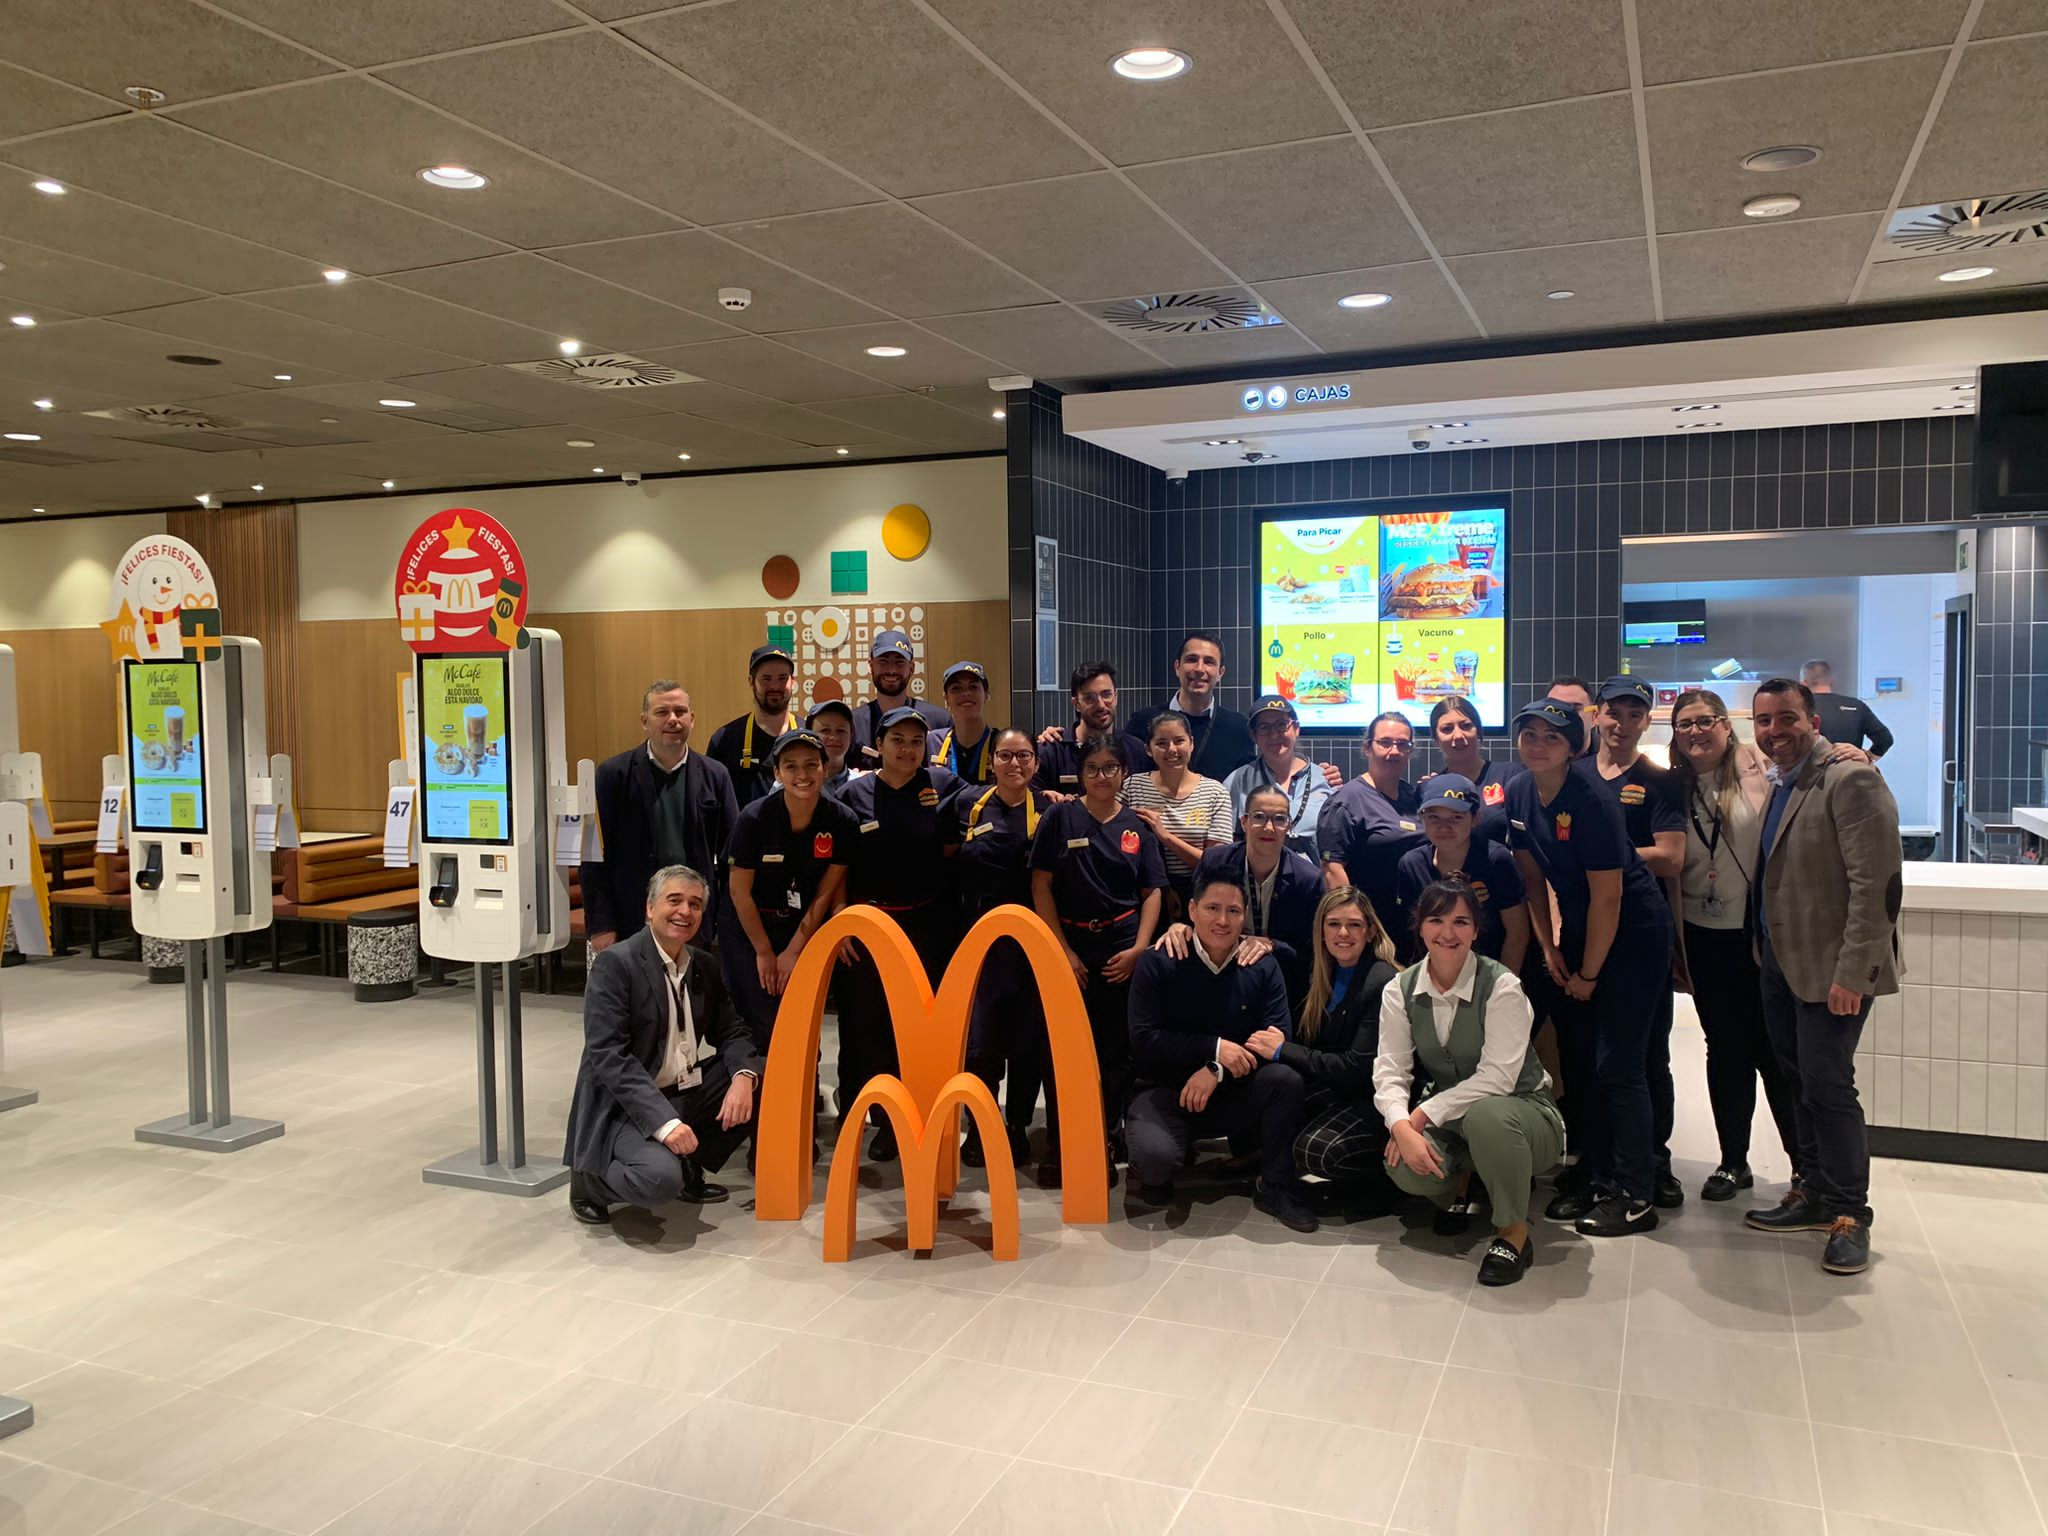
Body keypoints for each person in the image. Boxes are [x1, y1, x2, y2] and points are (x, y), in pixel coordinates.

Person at [1742, 677, 1901, 1277]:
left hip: (1834, 969)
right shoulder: (1787, 781)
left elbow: (1877, 885)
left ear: (1814, 720)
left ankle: (1849, 1214)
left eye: (1787, 719)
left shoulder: (1850, 776)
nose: (1775, 731)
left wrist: (1855, 974)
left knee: (1830, 1087)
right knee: (1796, 1078)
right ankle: (1810, 1190)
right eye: (1764, 721)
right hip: (1783, 961)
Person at [1504, 698, 1672, 1238]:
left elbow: (1610, 898)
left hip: (1633, 934)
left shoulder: (1594, 800)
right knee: (1578, 1060)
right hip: (1577, 931)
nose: (1536, 744)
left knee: (1619, 1064)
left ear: (1573, 746)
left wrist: (1590, 974)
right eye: (1528, 734)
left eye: (1550, 737)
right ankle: (1592, 1173)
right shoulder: (1521, 791)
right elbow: (1530, 877)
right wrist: (1549, 947)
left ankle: (1633, 1192)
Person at [1376, 879, 1567, 1286]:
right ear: (1420, 927)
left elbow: (1499, 1078)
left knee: (1488, 1117)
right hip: (1455, 1118)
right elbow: (1391, 1069)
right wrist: (1399, 1125)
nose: (1448, 933)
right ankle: (1461, 1183)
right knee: (1404, 1167)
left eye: (1461, 921)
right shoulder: (1400, 989)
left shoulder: (1502, 986)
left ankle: (1513, 1231)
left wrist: (1423, 1113)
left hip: (1523, 1114)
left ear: (1477, 930)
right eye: (1436, 920)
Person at [565, 866, 760, 1221]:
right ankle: (589, 1181)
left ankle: (690, 1164)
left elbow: (732, 1031)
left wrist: (744, 1077)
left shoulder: (703, 964)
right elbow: (609, 1057)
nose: (685, 911)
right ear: (650, 908)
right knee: (658, 1181)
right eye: (675, 900)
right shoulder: (615, 965)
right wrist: (665, 1124)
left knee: (760, 1079)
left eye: (695, 904)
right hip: (628, 1103)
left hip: (682, 1088)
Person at [1125, 874, 1316, 1232]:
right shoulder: (1159, 959)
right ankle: (1157, 1156)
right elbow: (1144, 1039)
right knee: (1155, 1163)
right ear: (1192, 910)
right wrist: (1213, 1047)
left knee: (1285, 1079)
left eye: (1233, 911)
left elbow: (1277, 1037)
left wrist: (1217, 1067)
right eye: (1213, 908)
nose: (1223, 920)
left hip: (1232, 1091)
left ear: (1245, 917)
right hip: (1166, 1090)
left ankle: (1274, 1185)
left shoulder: (1261, 964)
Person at [1668, 688, 1801, 1202]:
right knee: (1724, 1049)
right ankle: (1733, 1162)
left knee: (1775, 1050)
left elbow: (1812, 753)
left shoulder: (1760, 766)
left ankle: (1803, 1168)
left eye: (1706, 721)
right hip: (1702, 933)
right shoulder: (1670, 786)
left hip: (1758, 933)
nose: (1697, 732)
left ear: (1727, 726)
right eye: (1685, 725)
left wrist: (1849, 751)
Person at [1030, 736, 1166, 1188]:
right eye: (1093, 768)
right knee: (1061, 1049)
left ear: (1123, 772)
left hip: (1123, 948)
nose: (1102, 776)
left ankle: (1106, 1138)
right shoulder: (1060, 816)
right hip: (1069, 946)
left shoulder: (1136, 826)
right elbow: (1041, 886)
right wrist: (1062, 950)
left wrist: (1140, 949)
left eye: (1111, 768)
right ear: (1081, 773)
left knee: (1113, 1053)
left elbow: (1153, 892)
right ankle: (1059, 1145)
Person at [1578, 676, 1686, 1209]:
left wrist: (1603, 861)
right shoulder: (1571, 775)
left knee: (1646, 1057)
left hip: (1642, 936)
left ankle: (1652, 1164)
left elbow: (1671, 856)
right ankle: (1600, 1165)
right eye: (1613, 712)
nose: (1622, 723)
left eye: (1634, 713)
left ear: (1648, 721)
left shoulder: (1658, 780)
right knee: (1593, 1058)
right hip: (1583, 936)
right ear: (1597, 716)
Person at [837, 707, 962, 1159]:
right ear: (881, 745)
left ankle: (920, 1114)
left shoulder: (943, 787)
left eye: (915, 741)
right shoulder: (854, 794)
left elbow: (992, 801)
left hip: (927, 926)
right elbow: (838, 869)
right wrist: (843, 923)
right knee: (870, 1027)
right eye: (897, 740)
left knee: (919, 1026)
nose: (907, 749)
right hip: (870, 927)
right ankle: (879, 1119)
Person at [1257, 886, 1400, 1207]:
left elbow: (1356, 1068)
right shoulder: (1322, 972)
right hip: (1339, 1089)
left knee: (1313, 1151)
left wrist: (1282, 1050)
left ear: (1371, 931)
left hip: (1375, 1100)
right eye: (1333, 924)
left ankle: (1389, 1182)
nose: (1343, 933)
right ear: (1321, 930)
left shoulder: (1381, 981)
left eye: (1354, 925)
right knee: (1277, 1094)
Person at [718, 727, 859, 1053]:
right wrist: (765, 952)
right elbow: (740, 893)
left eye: (811, 764)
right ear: (777, 772)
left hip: (801, 922)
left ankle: (802, 1095)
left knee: (801, 1013)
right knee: (760, 1016)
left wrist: (794, 950)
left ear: (825, 767)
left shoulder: (841, 819)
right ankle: (757, 1095)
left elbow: (827, 889)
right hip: (748, 925)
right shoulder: (753, 818)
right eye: (791, 766)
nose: (802, 774)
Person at [955, 727, 1052, 1170]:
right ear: (992, 761)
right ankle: (979, 1127)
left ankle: (1015, 1127)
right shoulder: (965, 807)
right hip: (982, 944)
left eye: (1025, 756)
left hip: (1034, 946)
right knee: (982, 1044)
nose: (1016, 764)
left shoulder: (1051, 810)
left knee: (1028, 1042)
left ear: (1036, 762)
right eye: (1007, 756)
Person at [583, 680, 739, 953]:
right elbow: (594, 857)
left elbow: (733, 855)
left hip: (693, 920)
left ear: (692, 718)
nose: (673, 720)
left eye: (680, 712)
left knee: (691, 995)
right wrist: (601, 923)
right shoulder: (612, 775)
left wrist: (722, 919)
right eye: (662, 712)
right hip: (631, 917)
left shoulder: (716, 775)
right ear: (645, 720)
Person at [1154, 783, 1324, 1010]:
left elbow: (1312, 950)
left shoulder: (1308, 879)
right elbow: (1194, 915)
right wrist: (1179, 927)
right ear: (1244, 822)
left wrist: (1271, 945)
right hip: (1218, 972)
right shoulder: (1214, 861)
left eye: (1279, 819)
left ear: (1289, 826)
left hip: (1281, 982)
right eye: (1260, 817)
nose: (1269, 827)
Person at [1394, 775, 1528, 971]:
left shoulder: (1495, 860)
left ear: (1475, 819)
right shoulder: (1412, 864)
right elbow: (1411, 935)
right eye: (1433, 817)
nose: (1443, 827)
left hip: (1489, 972)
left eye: (1456, 817)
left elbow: (1517, 933)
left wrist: (1504, 986)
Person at [1318, 711, 1425, 939]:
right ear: (1367, 747)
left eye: (1402, 744)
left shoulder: (1413, 797)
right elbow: (1332, 869)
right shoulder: (1346, 801)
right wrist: (1353, 925)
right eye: (1384, 743)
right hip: (1372, 927)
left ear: (1410, 751)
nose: (1393, 751)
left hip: (1415, 922)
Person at [1122, 709, 1236, 906]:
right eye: (1161, 743)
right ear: (1148, 749)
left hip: (1199, 895)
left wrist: (1165, 836)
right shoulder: (1133, 786)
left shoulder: (1215, 792)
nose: (1172, 749)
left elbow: (1215, 865)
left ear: (1191, 743)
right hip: (1143, 894)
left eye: (1179, 741)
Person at [1125, 631, 1255, 778]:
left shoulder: (1239, 729)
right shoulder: (1142, 722)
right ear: (1177, 667)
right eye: (1191, 659)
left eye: (1209, 661)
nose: (1199, 669)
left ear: (1220, 673)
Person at [1222, 696, 1336, 861]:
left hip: (1313, 882)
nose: (1274, 735)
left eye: (1282, 725)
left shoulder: (1325, 779)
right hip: (1256, 880)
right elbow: (1227, 843)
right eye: (1264, 727)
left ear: (1296, 729)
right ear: (1254, 736)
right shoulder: (1237, 781)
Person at [1035, 660, 1150, 797]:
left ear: (1116, 696)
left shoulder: (1136, 750)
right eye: (1090, 698)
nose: (1101, 705)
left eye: (1106, 694)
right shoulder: (1051, 751)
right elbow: (1029, 801)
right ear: (1076, 703)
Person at [1419, 694, 1516, 846]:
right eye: (1447, 729)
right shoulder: (1431, 789)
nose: (1458, 735)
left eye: (1466, 726)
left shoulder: (1511, 776)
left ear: (1478, 731)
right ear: (1436, 740)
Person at [706, 643, 795, 805]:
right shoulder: (725, 740)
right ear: (751, 681)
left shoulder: (809, 735)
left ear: (793, 681)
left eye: (782, 678)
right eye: (766, 679)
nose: (775, 686)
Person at [852, 629, 948, 768]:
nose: (891, 670)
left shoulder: (939, 720)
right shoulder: (854, 723)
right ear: (870, 666)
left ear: (912, 667)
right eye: (883, 662)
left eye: (899, 662)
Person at [1800, 659, 1894, 759]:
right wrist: (1868, 757)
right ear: (1831, 681)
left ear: (1803, 684)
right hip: (1849, 770)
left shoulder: (1799, 707)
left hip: (1810, 771)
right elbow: (1885, 739)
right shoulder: (1856, 705)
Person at [929, 660, 997, 785]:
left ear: (986, 694)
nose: (966, 693)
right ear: (946, 698)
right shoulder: (931, 743)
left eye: (973, 687)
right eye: (956, 688)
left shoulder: (1002, 743)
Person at [804, 698, 866, 799]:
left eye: (840, 731)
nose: (833, 737)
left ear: (851, 735)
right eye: (825, 730)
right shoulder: (793, 784)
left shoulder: (863, 786)